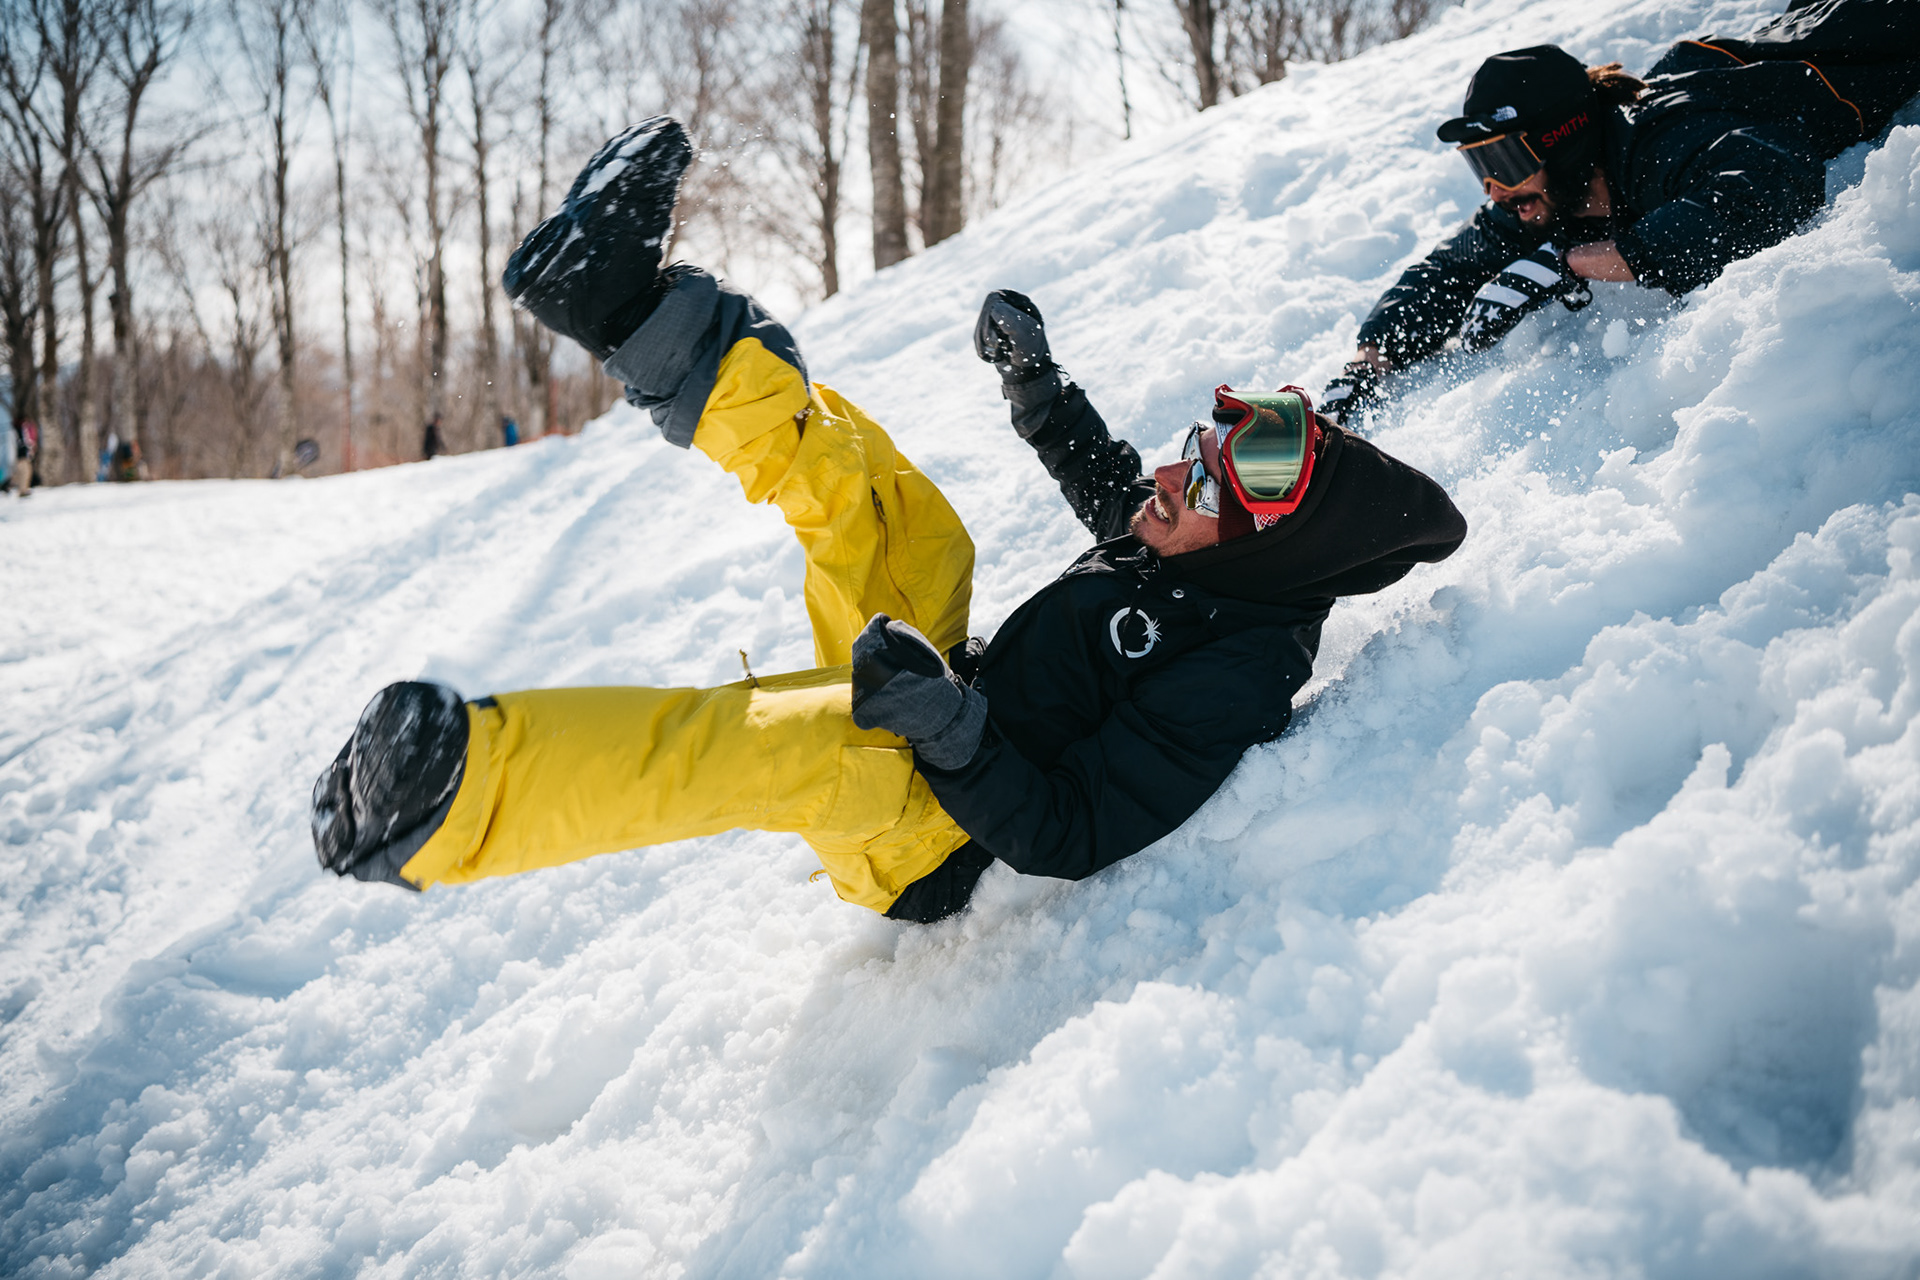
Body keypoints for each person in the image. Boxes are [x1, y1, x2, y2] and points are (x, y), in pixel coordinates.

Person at [309, 118, 1467, 924]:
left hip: (931, 836)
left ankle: (443, 804)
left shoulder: (1241, 671)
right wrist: (1036, 384)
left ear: (1267, 548)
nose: (1168, 476)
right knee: (893, 511)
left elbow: (1070, 830)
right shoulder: (1200, 549)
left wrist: (950, 729)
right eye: (1196, 450)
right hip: (948, 705)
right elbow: (1107, 482)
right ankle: (623, 305)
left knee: (777, 736)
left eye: (1201, 484)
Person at [1321, 0, 1920, 423]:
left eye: (1503, 159)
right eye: (1480, 166)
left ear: (1562, 139)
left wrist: (1591, 260)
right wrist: (1370, 360)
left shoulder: (1659, 136)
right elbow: (1452, 268)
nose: (1494, 189)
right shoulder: (1546, 192)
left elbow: (1767, 188)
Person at [12, 418, 36, 497]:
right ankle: (22, 490)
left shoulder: (22, 430)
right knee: (23, 473)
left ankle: (24, 489)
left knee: (26, 472)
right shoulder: (16, 431)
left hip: (23, 455)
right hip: (20, 456)